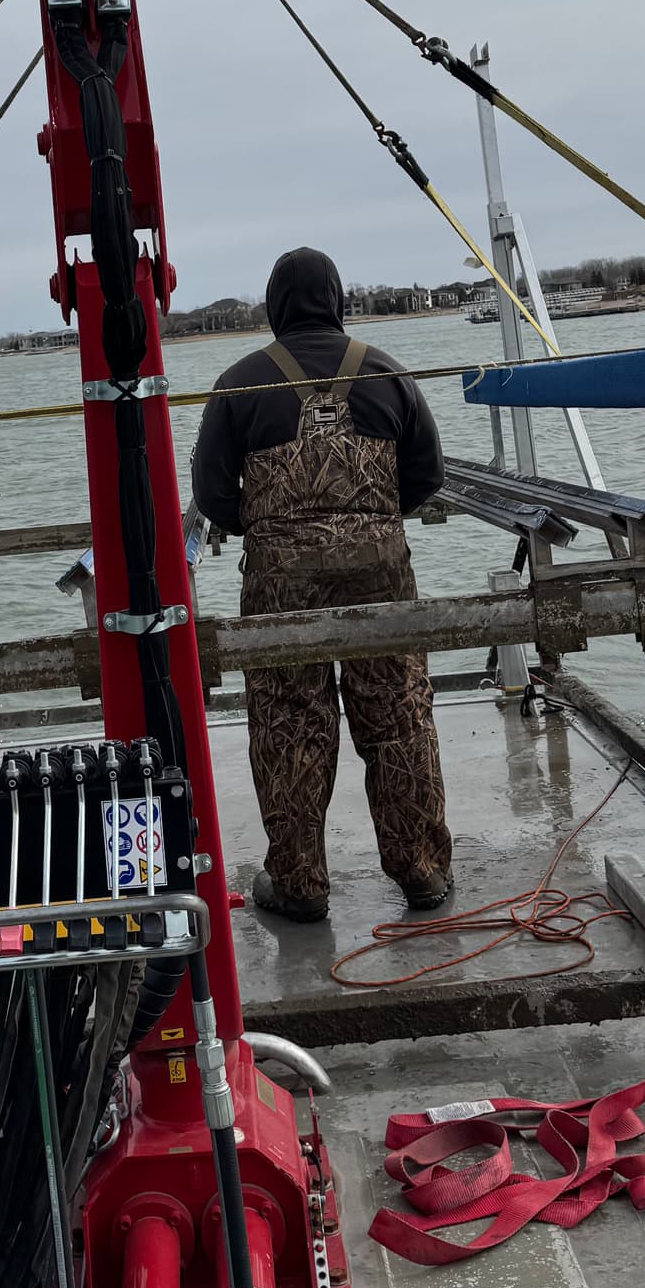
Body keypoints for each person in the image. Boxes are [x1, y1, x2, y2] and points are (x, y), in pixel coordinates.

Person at [190, 247, 454, 921]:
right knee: (398, 718)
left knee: (289, 726)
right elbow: (425, 478)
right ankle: (422, 874)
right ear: (337, 300)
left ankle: (301, 887)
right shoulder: (390, 373)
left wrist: (275, 529)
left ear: (275, 307)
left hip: (281, 583)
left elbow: (215, 497)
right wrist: (369, 524)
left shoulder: (239, 383)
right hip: (381, 574)